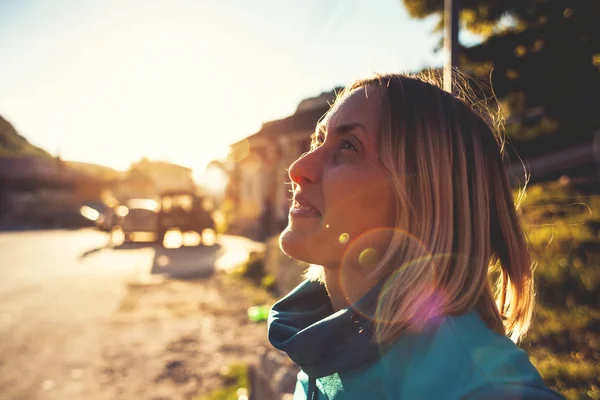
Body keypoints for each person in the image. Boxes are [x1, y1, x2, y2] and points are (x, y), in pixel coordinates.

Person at [267, 73, 564, 399]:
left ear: (426, 200)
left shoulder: (480, 387)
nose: (298, 168)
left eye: (349, 146)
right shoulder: (322, 342)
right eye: (317, 141)